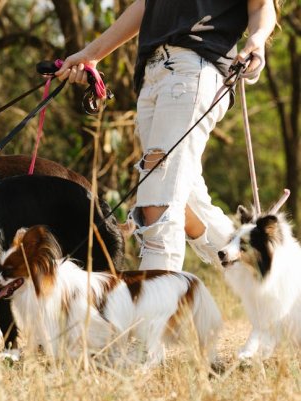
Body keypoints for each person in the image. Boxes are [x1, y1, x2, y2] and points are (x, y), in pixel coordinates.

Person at [56, 0, 278, 270]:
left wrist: (257, 39)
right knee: (186, 205)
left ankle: (155, 309)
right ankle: (274, 272)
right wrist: (91, 53)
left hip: (192, 69)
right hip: (152, 75)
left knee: (158, 205)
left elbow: (260, 5)